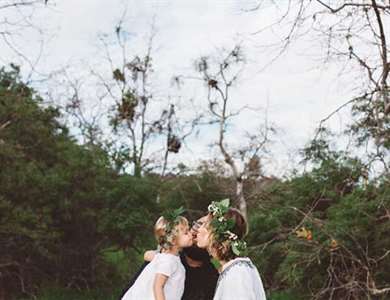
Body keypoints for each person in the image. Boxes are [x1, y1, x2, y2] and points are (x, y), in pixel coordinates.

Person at [120, 215, 219, 300]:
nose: (193, 234)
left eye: (206, 229)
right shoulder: (167, 260)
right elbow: (156, 286)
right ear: (173, 239)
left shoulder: (211, 278)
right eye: (197, 225)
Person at [196, 199, 267, 300]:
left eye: (205, 225)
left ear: (218, 234)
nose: (198, 229)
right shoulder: (235, 268)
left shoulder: (237, 274)